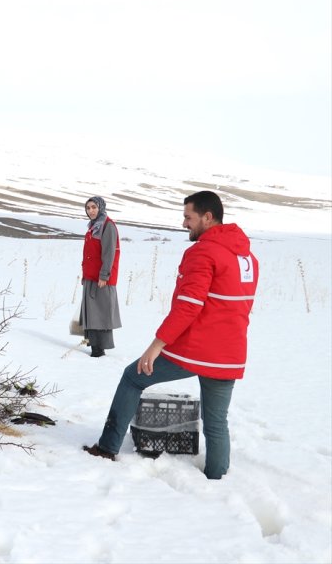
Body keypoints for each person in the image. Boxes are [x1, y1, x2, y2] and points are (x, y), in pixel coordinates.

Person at [83, 191, 259, 480]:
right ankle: (218, 481)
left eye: (188, 217)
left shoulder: (203, 252)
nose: (183, 223)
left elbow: (188, 306)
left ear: (208, 217)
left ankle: (107, 448)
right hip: (230, 353)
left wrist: (156, 346)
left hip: (197, 348)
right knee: (216, 422)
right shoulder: (248, 257)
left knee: (133, 376)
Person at [81, 196, 122, 357]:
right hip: (91, 276)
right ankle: (93, 346)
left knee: (100, 312)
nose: (90, 211)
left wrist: (104, 275)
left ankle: (99, 350)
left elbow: (109, 253)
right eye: (88, 208)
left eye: (93, 207)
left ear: (101, 208)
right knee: (91, 312)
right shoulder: (93, 226)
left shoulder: (107, 226)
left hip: (101, 278)